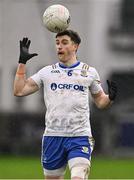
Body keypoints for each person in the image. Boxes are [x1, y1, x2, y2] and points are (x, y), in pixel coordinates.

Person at [14, 30, 117, 180]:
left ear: (75, 46)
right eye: (57, 43)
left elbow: (101, 101)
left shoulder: (89, 72)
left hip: (79, 136)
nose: (59, 47)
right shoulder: (47, 72)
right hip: (53, 136)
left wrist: (111, 98)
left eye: (64, 42)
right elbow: (19, 90)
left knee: (78, 177)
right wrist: (22, 63)